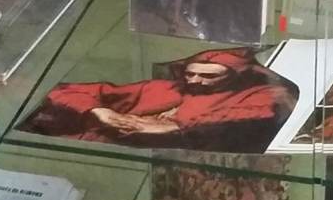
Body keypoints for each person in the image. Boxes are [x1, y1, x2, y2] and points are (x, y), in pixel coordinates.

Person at [19, 48, 296, 152]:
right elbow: (64, 91)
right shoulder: (162, 88)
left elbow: (263, 111)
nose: (195, 81)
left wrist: (178, 125)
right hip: (89, 147)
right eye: (191, 74)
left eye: (208, 76)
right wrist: (98, 111)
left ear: (235, 76)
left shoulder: (255, 94)